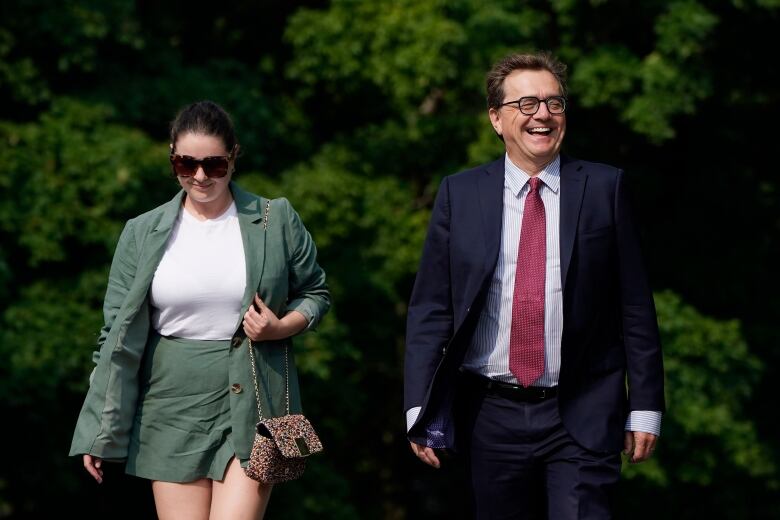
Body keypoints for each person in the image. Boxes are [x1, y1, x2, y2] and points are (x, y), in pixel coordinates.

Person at [404, 52, 664, 519]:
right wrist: (419, 408)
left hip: (583, 409)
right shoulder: (459, 194)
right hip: (488, 413)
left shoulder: (606, 187)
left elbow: (636, 308)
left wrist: (645, 406)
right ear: (495, 119)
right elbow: (431, 310)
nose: (542, 114)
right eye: (526, 104)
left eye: (553, 103)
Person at [70, 100, 330, 519]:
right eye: (186, 165)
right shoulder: (141, 232)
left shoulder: (274, 219)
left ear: (233, 158)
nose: (201, 176)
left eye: (214, 165)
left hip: (254, 401)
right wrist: (98, 429)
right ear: (172, 157)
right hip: (169, 405)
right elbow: (113, 337)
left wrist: (279, 327)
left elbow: (317, 293)